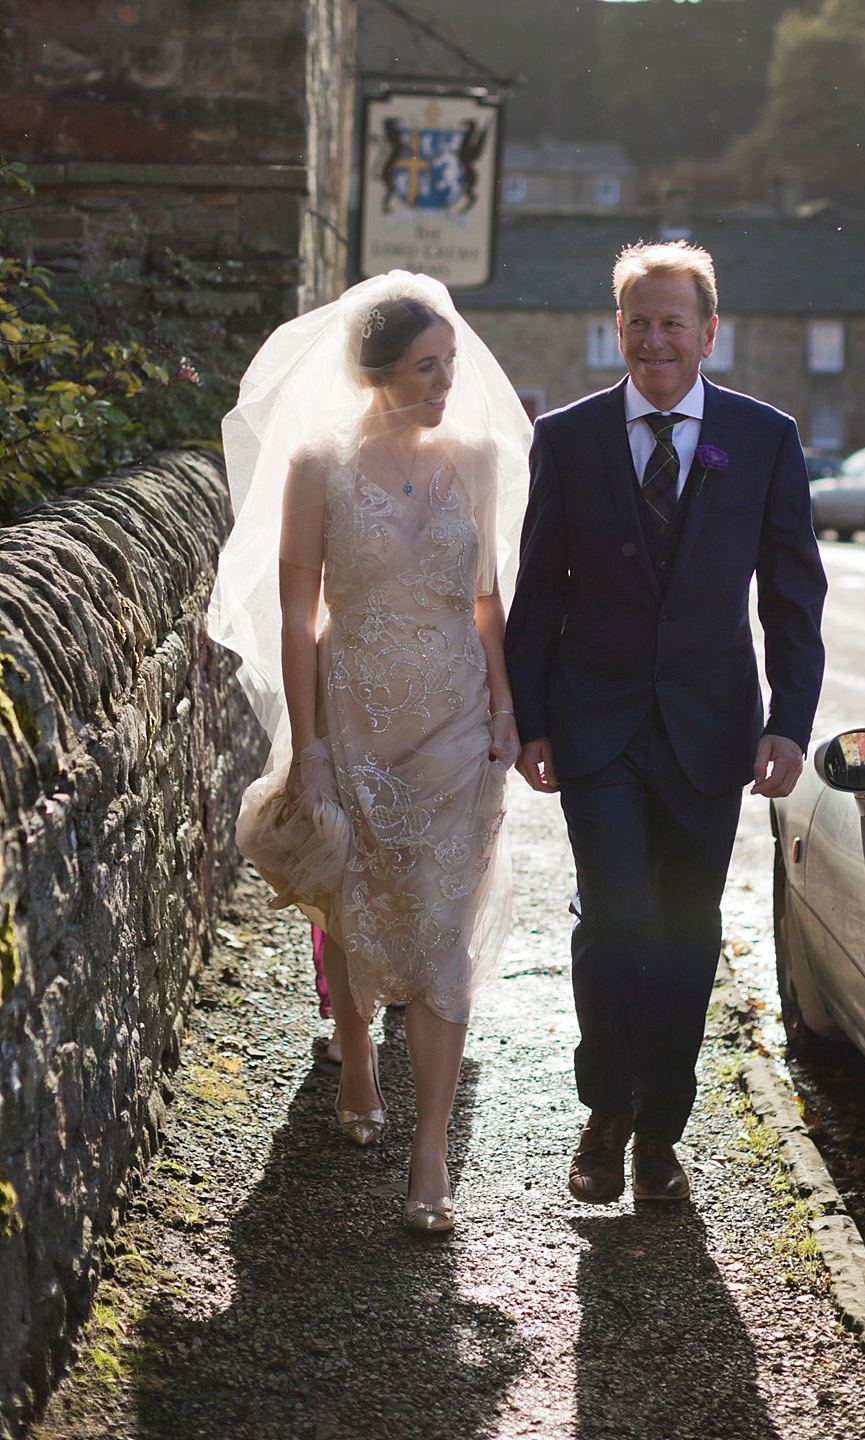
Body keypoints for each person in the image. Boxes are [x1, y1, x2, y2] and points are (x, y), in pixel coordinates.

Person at [504, 240, 827, 1206]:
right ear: (618, 329)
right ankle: (605, 1112)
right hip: (595, 725)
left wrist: (789, 723)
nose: (654, 340)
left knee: (687, 933)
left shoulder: (763, 438)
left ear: (707, 332)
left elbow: (793, 599)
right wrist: (530, 721)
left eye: (671, 323)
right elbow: (537, 593)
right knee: (614, 916)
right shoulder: (567, 437)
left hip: (710, 730)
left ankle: (660, 1131)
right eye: (637, 322)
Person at [208, 271, 531, 1232]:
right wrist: (306, 746)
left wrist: (507, 705)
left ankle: (430, 1155)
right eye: (425, 367)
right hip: (352, 716)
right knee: (357, 900)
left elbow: (485, 598)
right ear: (377, 373)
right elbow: (298, 617)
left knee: (441, 934)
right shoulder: (317, 464)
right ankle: (356, 1046)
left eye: (449, 363)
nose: (445, 382)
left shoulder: (472, 457)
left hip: (456, 722)